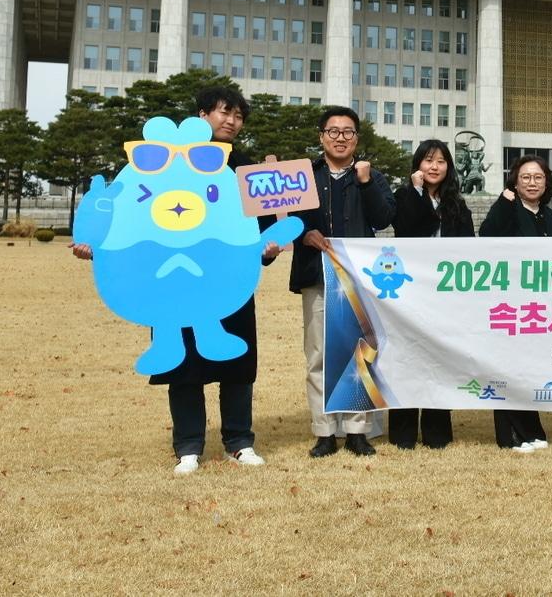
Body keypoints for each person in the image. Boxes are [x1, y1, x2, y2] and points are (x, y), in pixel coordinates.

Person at [71, 86, 287, 475]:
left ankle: (239, 442)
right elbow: (126, 210)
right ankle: (188, 445)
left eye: (239, 116)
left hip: (228, 285)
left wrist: (269, 248)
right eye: (225, 113)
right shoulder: (160, 161)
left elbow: (266, 229)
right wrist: (95, 244)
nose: (232, 122)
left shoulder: (247, 170)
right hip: (170, 284)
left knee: (237, 360)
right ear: (202, 115)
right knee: (182, 362)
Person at [286, 106, 396, 458]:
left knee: (358, 353)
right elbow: (285, 219)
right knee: (318, 354)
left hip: (358, 280)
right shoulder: (303, 175)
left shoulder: (370, 176)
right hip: (316, 275)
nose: (340, 138)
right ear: (321, 136)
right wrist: (304, 233)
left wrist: (365, 183)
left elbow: (383, 218)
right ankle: (324, 431)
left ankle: (357, 430)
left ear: (356, 139)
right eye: (333, 131)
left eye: (348, 132)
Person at [387, 139, 473, 449]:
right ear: (417, 166)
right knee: (406, 356)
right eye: (427, 161)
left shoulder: (457, 203)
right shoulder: (404, 196)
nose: (434, 167)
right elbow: (408, 228)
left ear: (448, 167)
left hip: (444, 293)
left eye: (440, 162)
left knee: (438, 357)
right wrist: (418, 193)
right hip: (408, 290)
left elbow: (468, 245)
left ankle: (437, 432)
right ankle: (402, 432)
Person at [479, 154, 552, 451]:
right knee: (507, 369)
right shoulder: (507, 208)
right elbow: (487, 236)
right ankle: (509, 436)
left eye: (538, 177)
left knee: (528, 369)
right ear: (515, 180)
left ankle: (531, 429)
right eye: (525, 176)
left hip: (540, 307)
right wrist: (504, 201)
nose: (531, 182)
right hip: (510, 304)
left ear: (546, 182)